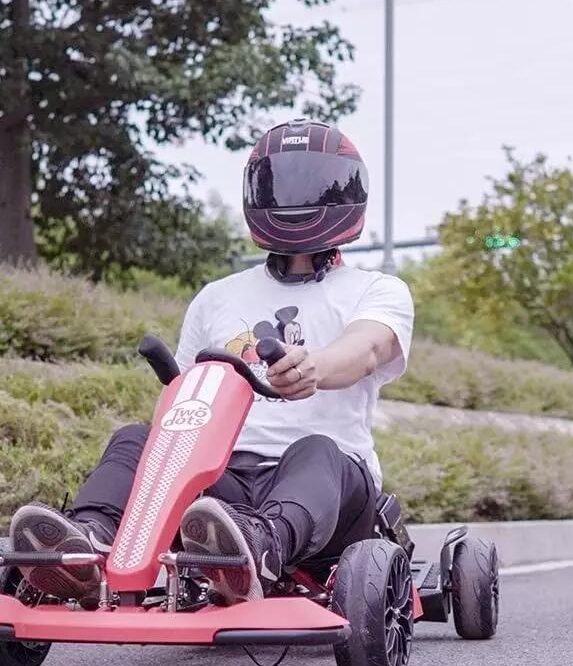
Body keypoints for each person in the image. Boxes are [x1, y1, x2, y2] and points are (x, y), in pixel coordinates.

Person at [9, 118, 414, 605]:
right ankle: (85, 546)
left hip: (330, 490)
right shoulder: (216, 297)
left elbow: (367, 349)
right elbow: (182, 402)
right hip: (222, 489)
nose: (293, 197)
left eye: (310, 182)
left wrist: (316, 367)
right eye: (281, 183)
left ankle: (258, 548)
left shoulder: (379, 289)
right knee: (137, 438)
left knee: (316, 449)